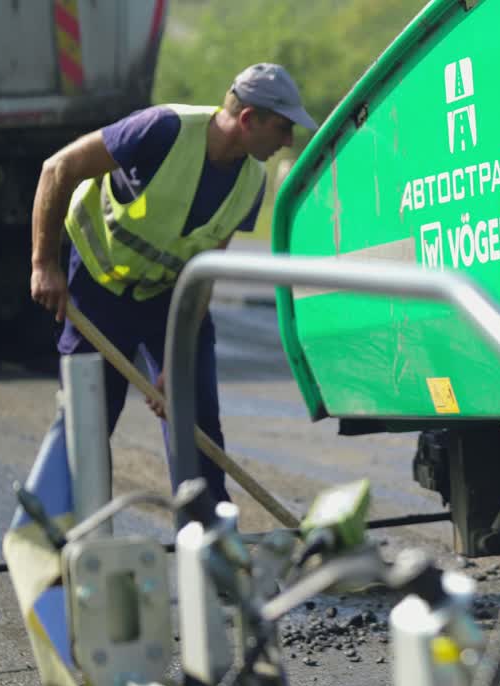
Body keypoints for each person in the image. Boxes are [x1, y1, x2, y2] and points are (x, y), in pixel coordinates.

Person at [26, 63, 317, 504]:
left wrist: (173, 361)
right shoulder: (161, 130)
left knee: (197, 422)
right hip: (98, 291)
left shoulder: (251, 182)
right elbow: (57, 169)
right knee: (86, 424)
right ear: (247, 119)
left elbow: (206, 268)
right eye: (282, 128)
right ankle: (77, 545)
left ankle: (212, 548)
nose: (287, 142)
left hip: (169, 299)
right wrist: (43, 263)